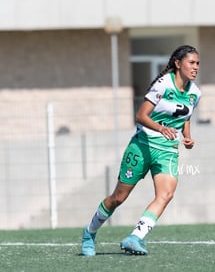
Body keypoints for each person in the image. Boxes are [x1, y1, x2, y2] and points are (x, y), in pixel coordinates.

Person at [81, 45, 201, 256]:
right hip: (142, 146)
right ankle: (89, 232)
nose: (195, 67)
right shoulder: (163, 84)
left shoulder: (195, 93)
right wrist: (161, 128)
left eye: (198, 63)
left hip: (167, 150)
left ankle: (135, 237)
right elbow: (141, 116)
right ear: (178, 63)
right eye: (191, 62)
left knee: (166, 194)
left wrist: (187, 136)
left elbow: (185, 116)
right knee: (118, 198)